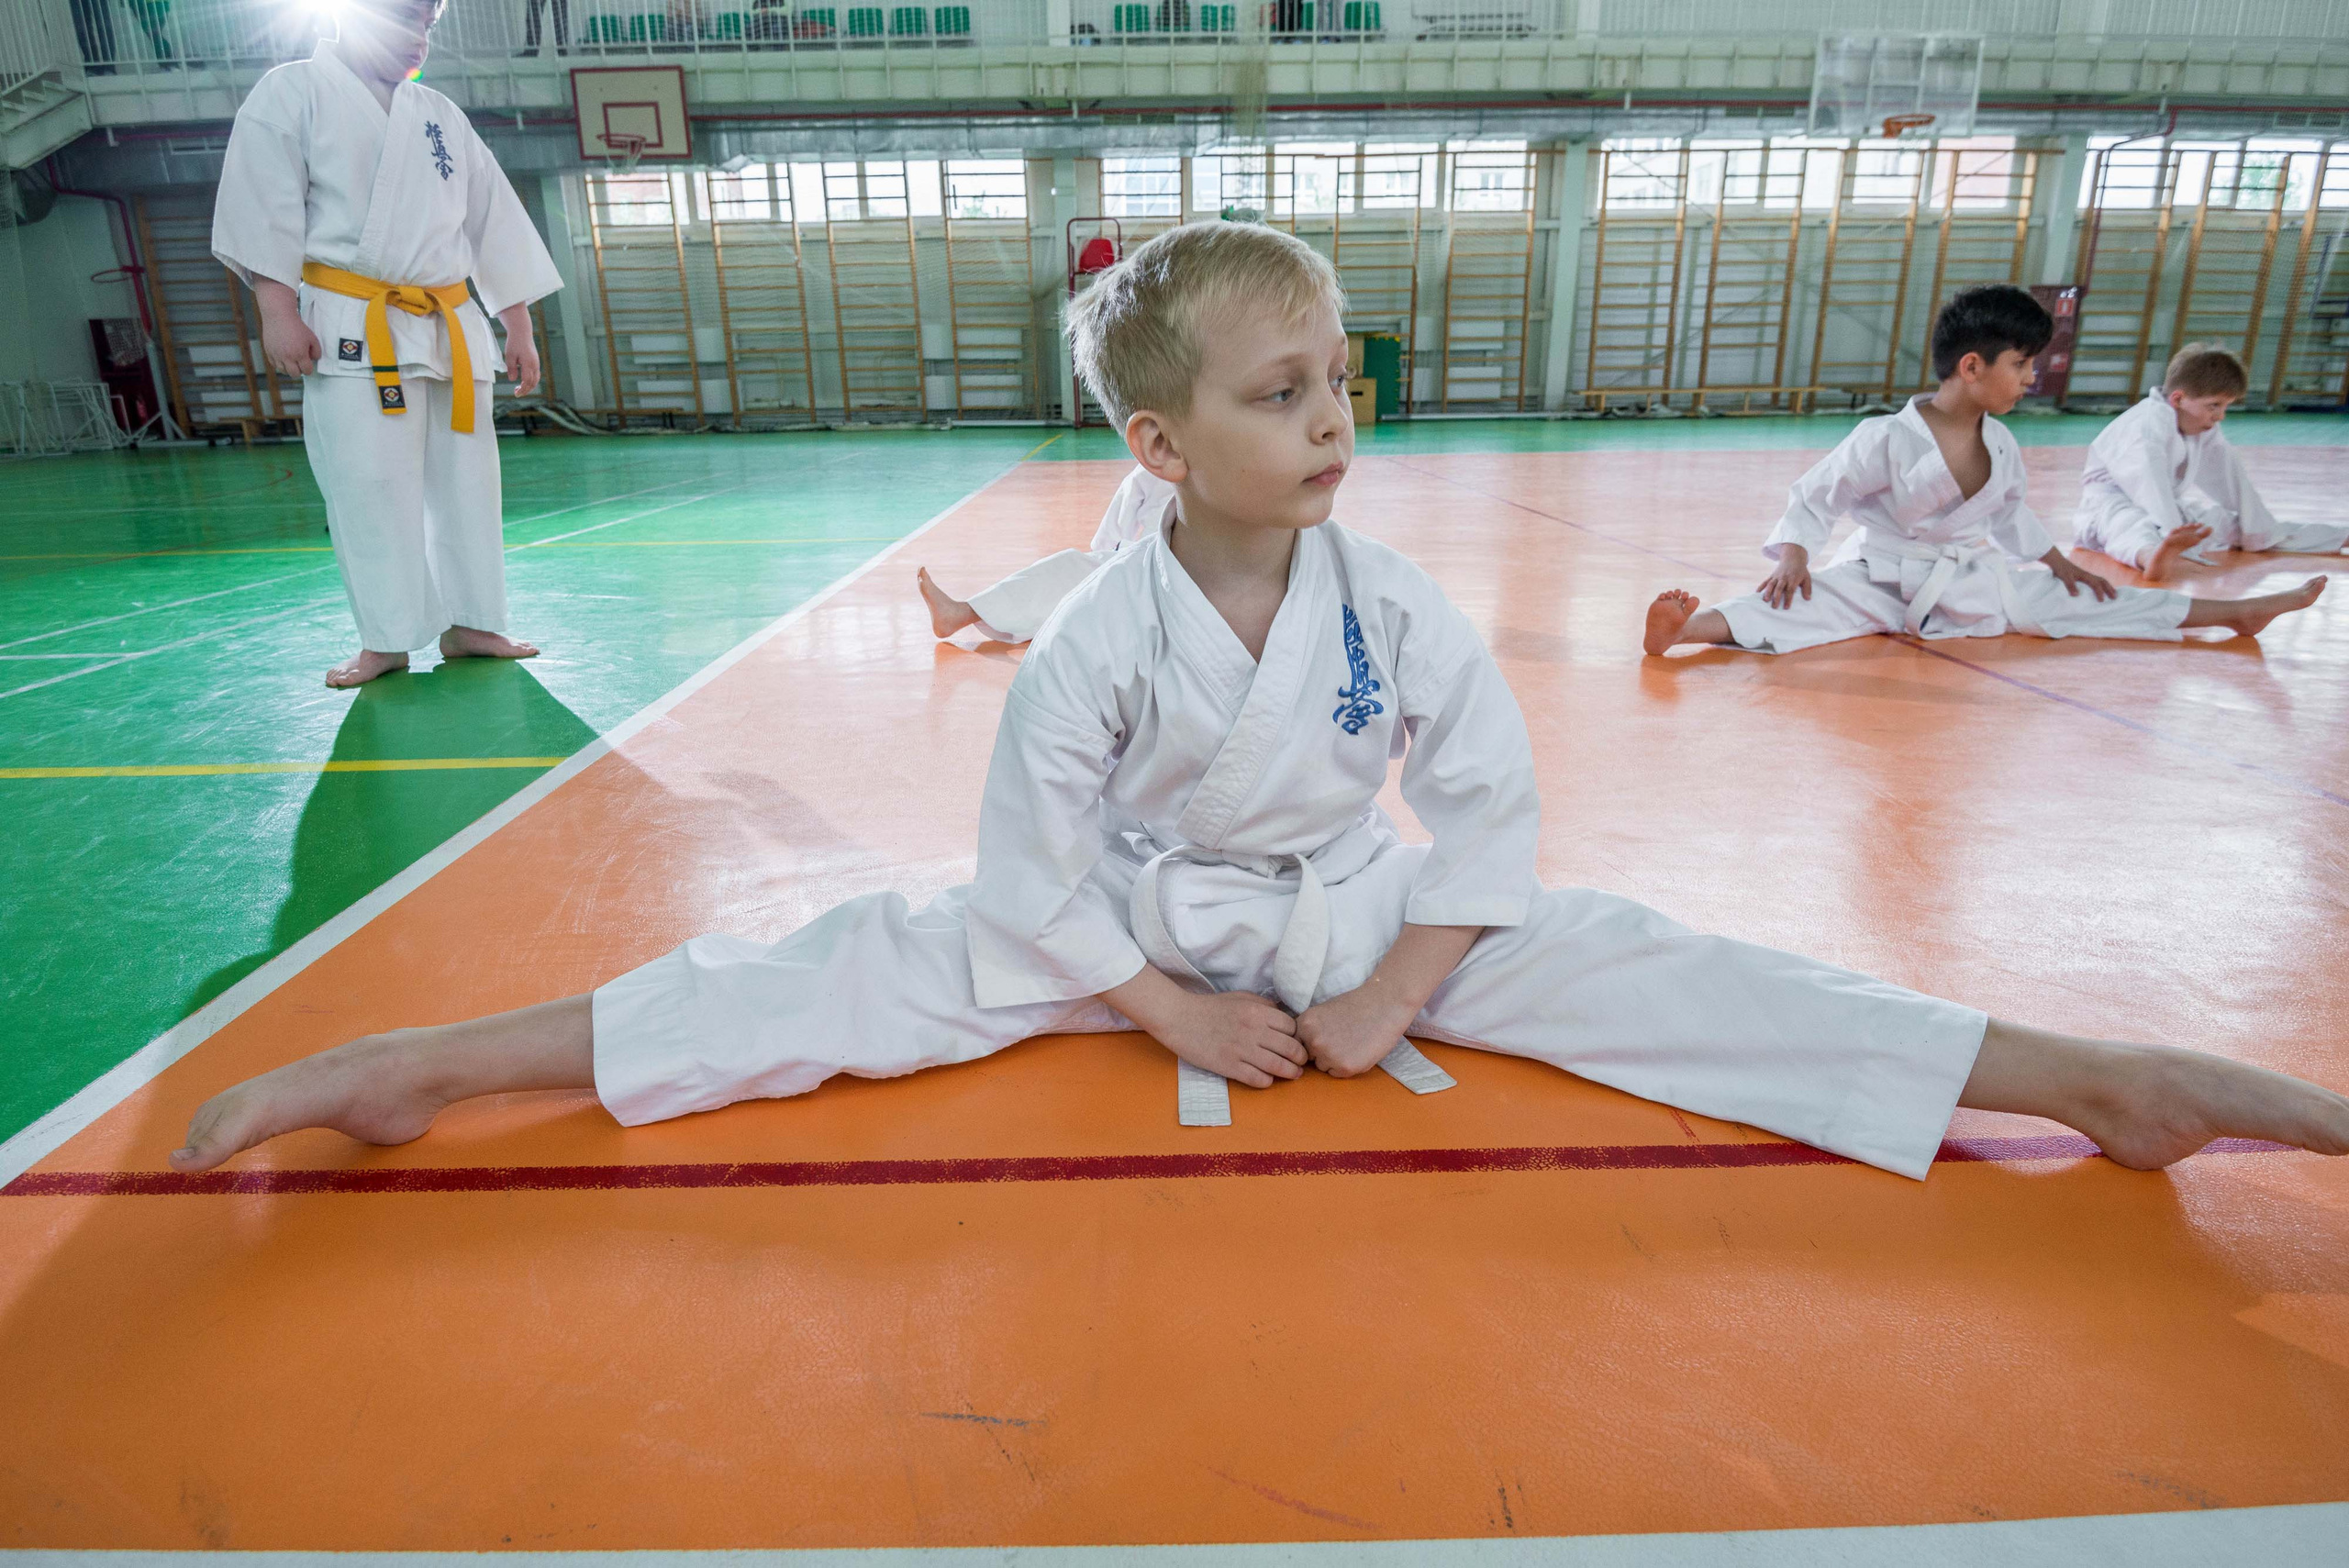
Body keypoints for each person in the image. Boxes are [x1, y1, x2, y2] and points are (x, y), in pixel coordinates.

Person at [168, 226, 2349, 1183]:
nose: (1331, 419)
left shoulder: (1388, 597)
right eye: (1279, 390)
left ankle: (2086, 1076)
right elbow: (1025, 872)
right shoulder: (1097, 632)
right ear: (1157, 444)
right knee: (816, 971)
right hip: (1113, 924)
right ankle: (425, 1064)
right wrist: (1164, 1011)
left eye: (1339, 382)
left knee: (1646, 961)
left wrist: (1391, 980)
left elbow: (1485, 815)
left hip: (1342, 909)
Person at [1642, 286, 2326, 658]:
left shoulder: (1999, 442)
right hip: (1882, 576)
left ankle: (2236, 613)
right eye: (2021, 365)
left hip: (1973, 581)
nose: (2031, 379)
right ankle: (1684, 632)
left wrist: (2058, 563)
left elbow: (2008, 515)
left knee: (2095, 600)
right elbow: (1819, 494)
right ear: (1972, 366)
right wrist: (1795, 554)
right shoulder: (1885, 436)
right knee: (1796, 604)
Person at [212, 0, 562, 689]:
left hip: (450, 325)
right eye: (405, 20)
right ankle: (386, 638)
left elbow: (491, 221)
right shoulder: (291, 93)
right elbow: (264, 207)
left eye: (428, 25)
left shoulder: (439, 114)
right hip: (352, 321)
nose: (418, 38)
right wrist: (277, 310)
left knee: (469, 482)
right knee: (367, 484)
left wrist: (517, 324)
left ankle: (474, 622)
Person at [2072, 343, 2349, 582]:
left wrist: (2257, 530)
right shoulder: (2143, 426)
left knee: (2241, 526)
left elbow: (2233, 481)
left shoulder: (2201, 427)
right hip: (2110, 507)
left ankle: (2341, 537)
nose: (2220, 416)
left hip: (2169, 510)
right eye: (2214, 405)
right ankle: (2152, 557)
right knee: (2130, 526)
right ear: (2179, 399)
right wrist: (2173, 533)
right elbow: (2149, 486)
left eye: (2225, 406)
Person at [916, 465, 1177, 643]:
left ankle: (963, 613)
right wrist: (1106, 553)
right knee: (1085, 575)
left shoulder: (1168, 457)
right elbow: (1129, 496)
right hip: (1162, 563)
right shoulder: (1170, 457)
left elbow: (1125, 503)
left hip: (1165, 565)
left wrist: (1105, 552)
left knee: (1078, 572)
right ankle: (963, 613)